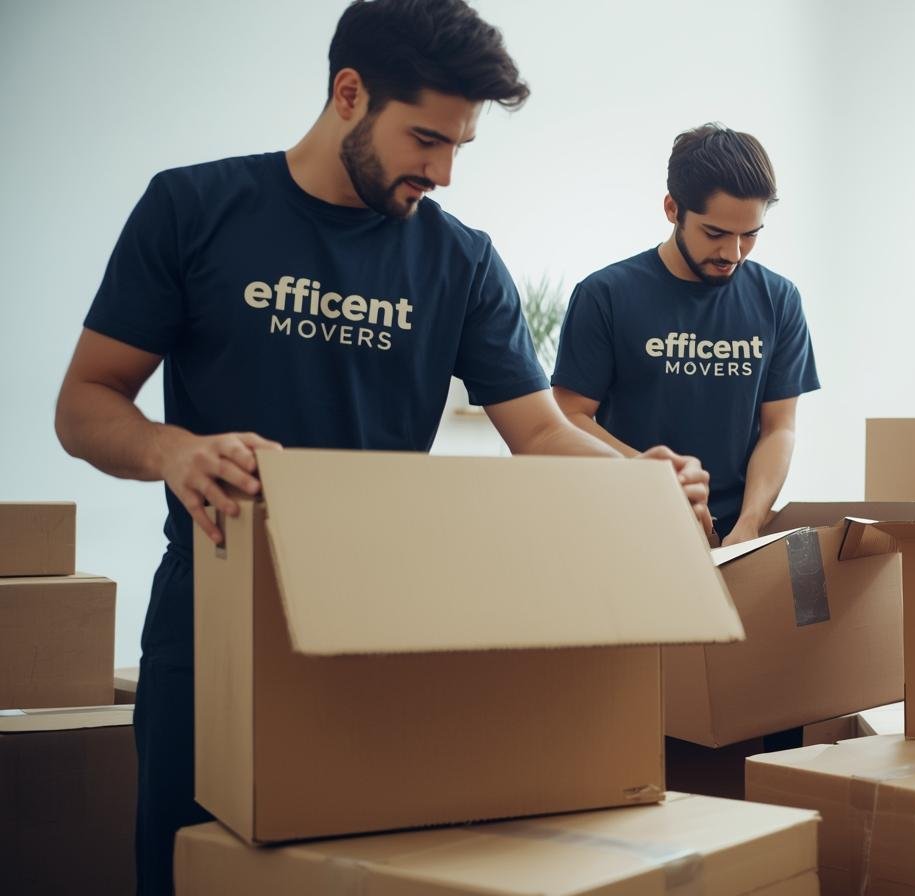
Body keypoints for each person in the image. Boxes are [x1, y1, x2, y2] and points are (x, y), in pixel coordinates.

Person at [53, 3, 710, 892]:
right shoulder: (195, 207)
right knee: (190, 870)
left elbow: (542, 431)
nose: (441, 171)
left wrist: (642, 483)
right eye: (425, 140)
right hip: (212, 615)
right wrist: (173, 452)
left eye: (458, 149)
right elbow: (85, 403)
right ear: (349, 94)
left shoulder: (462, 261)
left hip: (382, 622)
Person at [552, 124, 820, 546]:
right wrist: (651, 477)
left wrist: (750, 523)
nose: (733, 254)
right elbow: (568, 415)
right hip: (626, 527)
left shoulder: (779, 299)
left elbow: (779, 428)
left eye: (749, 235)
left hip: (735, 537)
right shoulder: (605, 295)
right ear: (672, 209)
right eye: (715, 233)